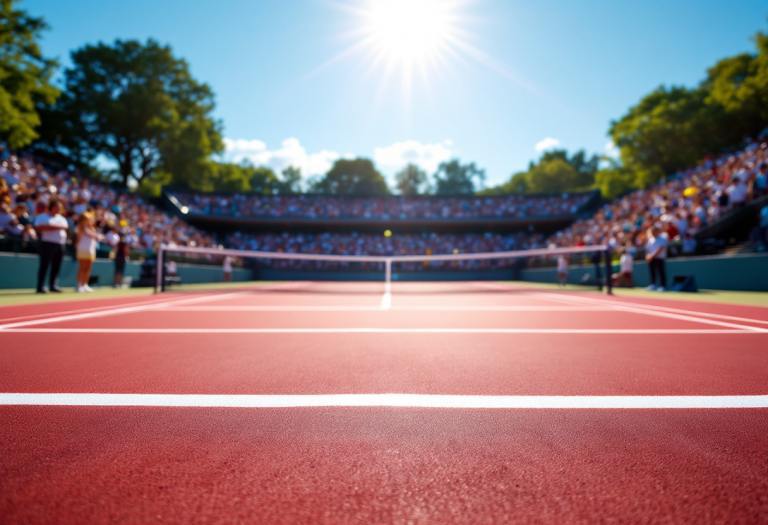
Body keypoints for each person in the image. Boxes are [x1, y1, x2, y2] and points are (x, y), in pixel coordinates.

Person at [34, 199, 68, 293]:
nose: (59, 209)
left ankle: (53, 285)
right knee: (44, 265)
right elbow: (41, 227)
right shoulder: (43, 217)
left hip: (60, 244)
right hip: (47, 243)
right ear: (51, 207)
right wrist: (56, 227)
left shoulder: (62, 218)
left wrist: (52, 227)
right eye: (57, 206)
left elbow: (65, 227)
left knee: (56, 266)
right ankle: (40, 286)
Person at [75, 210, 101, 292]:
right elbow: (90, 235)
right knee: (82, 268)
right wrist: (97, 236)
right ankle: (79, 285)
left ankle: (85, 284)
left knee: (88, 268)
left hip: (91, 249)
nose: (90, 220)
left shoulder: (92, 228)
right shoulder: (81, 226)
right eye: (88, 219)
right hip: (82, 249)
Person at [645, 224, 668, 291]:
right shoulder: (650, 240)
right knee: (652, 272)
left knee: (661, 272)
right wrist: (647, 256)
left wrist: (652, 256)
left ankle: (663, 286)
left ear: (657, 231)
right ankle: (653, 284)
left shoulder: (662, 239)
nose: (653, 233)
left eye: (654, 231)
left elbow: (660, 248)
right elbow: (648, 249)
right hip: (651, 259)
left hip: (659, 258)